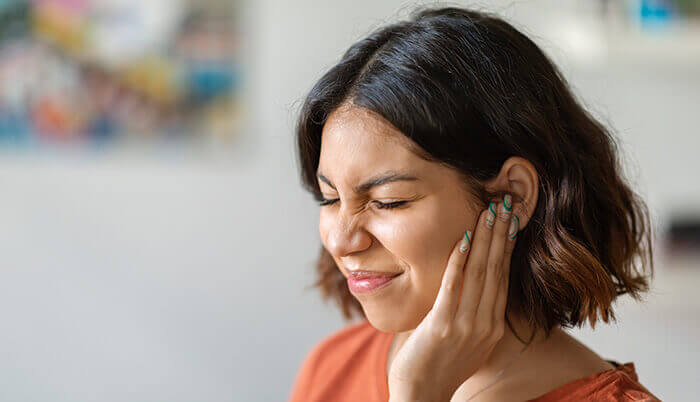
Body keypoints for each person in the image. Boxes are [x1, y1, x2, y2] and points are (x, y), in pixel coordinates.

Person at [288, 6, 660, 402]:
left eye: (388, 202)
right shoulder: (332, 367)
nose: (342, 242)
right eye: (330, 198)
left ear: (511, 197)